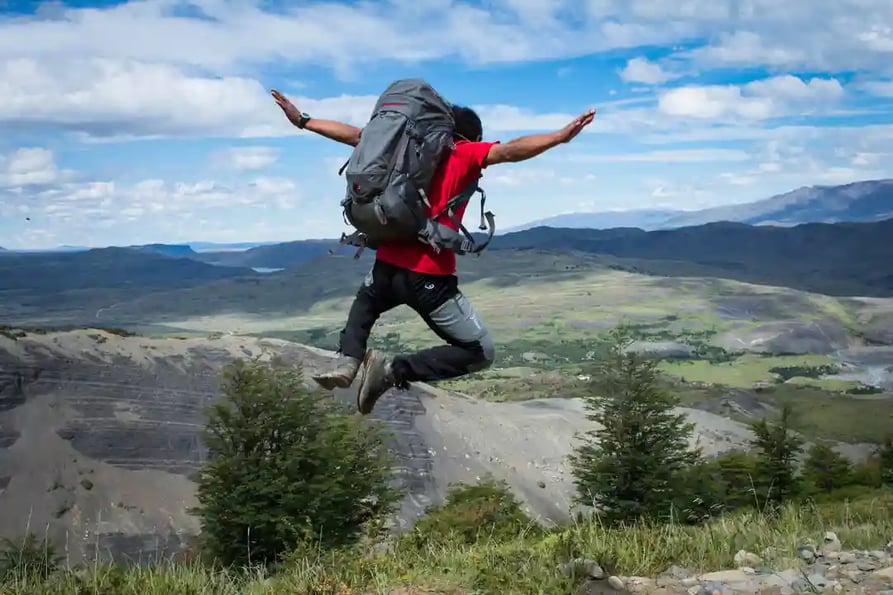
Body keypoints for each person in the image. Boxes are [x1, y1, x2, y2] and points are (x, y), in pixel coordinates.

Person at [271, 88, 595, 415]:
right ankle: (394, 371)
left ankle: (348, 360)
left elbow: (354, 135)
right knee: (480, 352)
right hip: (428, 276)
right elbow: (511, 150)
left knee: (365, 304)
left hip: (384, 267)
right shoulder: (464, 153)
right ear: (472, 137)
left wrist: (303, 120)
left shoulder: (400, 148)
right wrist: (559, 137)